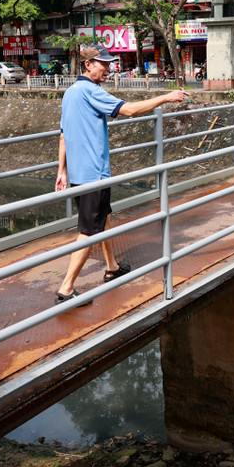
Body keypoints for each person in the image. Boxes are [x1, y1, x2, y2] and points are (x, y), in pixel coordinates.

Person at [54, 44, 188, 305]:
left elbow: (63, 136)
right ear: (88, 65)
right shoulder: (92, 91)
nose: (108, 68)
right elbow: (128, 110)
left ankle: (111, 266)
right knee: (89, 232)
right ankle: (66, 288)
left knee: (104, 218)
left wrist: (61, 171)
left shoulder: (70, 93)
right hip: (95, 175)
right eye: (102, 63)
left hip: (80, 174)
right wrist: (165, 98)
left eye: (109, 63)